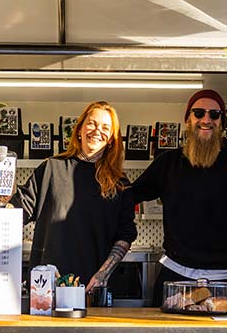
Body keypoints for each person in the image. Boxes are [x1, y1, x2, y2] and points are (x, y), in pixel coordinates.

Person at [131, 89, 227, 307]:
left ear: (221, 123)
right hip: (173, 277)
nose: (206, 120)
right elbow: (128, 197)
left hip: (223, 282)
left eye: (214, 115)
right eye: (198, 113)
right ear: (187, 120)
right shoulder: (167, 164)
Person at [13, 101, 137, 294]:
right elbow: (18, 210)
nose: (97, 131)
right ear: (79, 129)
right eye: (92, 123)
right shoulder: (51, 169)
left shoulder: (119, 184)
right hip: (45, 288)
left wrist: (102, 274)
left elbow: (125, 234)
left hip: (90, 288)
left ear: (112, 138)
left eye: (105, 127)